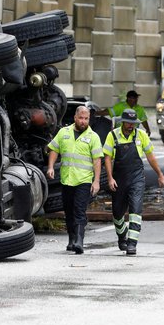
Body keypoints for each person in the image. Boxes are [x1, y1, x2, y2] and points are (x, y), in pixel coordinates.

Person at [103, 109, 164, 255]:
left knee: (135, 210)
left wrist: (160, 174)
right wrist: (110, 178)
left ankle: (132, 244)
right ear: (122, 122)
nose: (131, 126)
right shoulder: (112, 135)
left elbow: (150, 156)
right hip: (118, 179)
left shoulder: (141, 135)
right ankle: (122, 236)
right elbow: (107, 158)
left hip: (137, 178)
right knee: (117, 213)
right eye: (129, 123)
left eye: (133, 123)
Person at [47, 105, 103, 254]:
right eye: (81, 118)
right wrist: (51, 167)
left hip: (83, 180)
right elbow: (54, 149)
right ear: (75, 118)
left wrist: (96, 181)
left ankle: (79, 241)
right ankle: (71, 239)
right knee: (69, 211)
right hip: (67, 179)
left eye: (86, 119)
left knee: (79, 210)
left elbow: (97, 160)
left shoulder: (93, 137)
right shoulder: (63, 132)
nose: (83, 121)